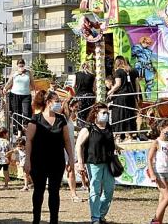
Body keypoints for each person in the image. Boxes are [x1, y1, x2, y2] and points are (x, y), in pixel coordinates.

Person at [24, 90, 75, 224]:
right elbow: (28, 140)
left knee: (54, 192)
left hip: (56, 161)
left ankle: (54, 220)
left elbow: (67, 141)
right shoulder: (35, 119)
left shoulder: (61, 119)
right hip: (38, 161)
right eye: (56, 101)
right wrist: (27, 161)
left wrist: (71, 158)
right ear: (48, 102)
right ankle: (36, 219)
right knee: (39, 191)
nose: (59, 103)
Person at [76, 103, 120, 224]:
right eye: (103, 113)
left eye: (107, 113)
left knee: (109, 190)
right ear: (95, 114)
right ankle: (95, 217)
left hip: (108, 163)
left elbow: (108, 140)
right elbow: (79, 145)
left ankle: (101, 214)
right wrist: (80, 163)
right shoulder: (88, 128)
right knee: (95, 191)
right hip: (93, 163)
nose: (106, 115)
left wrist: (116, 146)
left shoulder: (109, 127)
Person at [107, 56, 138, 138]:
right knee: (129, 114)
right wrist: (137, 96)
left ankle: (119, 135)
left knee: (119, 115)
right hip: (130, 95)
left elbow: (118, 84)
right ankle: (130, 135)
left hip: (120, 96)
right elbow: (137, 85)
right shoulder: (132, 71)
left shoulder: (118, 72)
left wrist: (110, 91)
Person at [63, 98, 84, 202]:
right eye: (76, 107)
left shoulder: (70, 119)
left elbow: (71, 128)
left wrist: (82, 130)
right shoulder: (62, 117)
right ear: (70, 107)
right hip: (61, 147)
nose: (77, 109)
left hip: (70, 146)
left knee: (71, 170)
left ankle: (73, 194)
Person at [5, 59, 34, 135]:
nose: (21, 67)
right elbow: (9, 82)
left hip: (26, 95)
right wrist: (5, 88)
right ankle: (19, 132)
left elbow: (32, 83)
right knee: (17, 112)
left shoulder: (28, 73)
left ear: (24, 65)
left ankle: (25, 127)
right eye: (20, 66)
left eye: (22, 65)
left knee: (26, 112)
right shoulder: (14, 73)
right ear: (17, 66)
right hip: (15, 94)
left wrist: (33, 91)